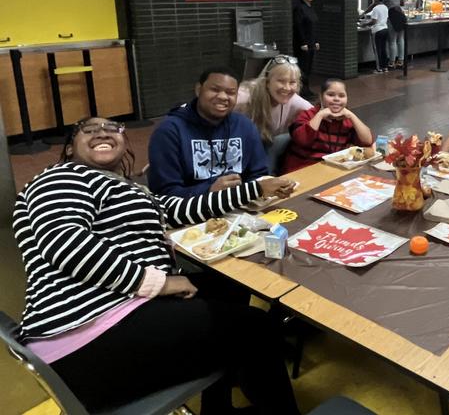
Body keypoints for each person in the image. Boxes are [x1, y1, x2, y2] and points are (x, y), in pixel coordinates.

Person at [13, 117, 300, 414]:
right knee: (256, 328)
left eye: (113, 129)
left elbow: (179, 209)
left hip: (117, 313)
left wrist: (256, 188)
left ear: (124, 144)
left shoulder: (125, 188)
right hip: (86, 336)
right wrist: (158, 283)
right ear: (70, 148)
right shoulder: (61, 177)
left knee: (229, 286)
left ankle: (218, 407)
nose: (103, 133)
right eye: (89, 129)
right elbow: (65, 243)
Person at [148, 66, 270, 197]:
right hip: (191, 210)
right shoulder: (169, 131)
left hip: (240, 205)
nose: (223, 97)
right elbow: (164, 193)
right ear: (198, 90)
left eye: (230, 92)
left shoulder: (244, 126)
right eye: (215, 89)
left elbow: (258, 174)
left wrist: (263, 188)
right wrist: (209, 190)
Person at [236, 55, 312, 175]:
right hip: (236, 149)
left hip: (266, 146)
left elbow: (317, 118)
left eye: (292, 82)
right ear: (267, 81)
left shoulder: (295, 101)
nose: (287, 88)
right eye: (281, 81)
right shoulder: (243, 98)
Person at [283, 79, 374, 173]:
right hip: (302, 170)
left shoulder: (346, 119)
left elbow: (367, 141)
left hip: (332, 170)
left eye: (342, 96)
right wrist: (320, 115)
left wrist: (352, 116)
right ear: (321, 97)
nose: (336, 99)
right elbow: (302, 140)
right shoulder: (307, 115)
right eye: (331, 95)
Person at [292, 0, 319, 100]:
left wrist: (316, 41)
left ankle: (307, 89)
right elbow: (298, 26)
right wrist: (303, 42)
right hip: (304, 44)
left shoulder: (310, 7)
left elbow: (313, 26)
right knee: (303, 67)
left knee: (308, 68)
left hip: (311, 42)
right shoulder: (299, 8)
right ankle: (302, 90)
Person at [367, 0, 390, 73]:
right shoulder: (385, 7)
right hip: (385, 29)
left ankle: (378, 68)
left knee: (377, 50)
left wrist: (364, 24)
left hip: (377, 30)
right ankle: (385, 67)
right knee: (384, 49)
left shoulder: (376, 9)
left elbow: (374, 21)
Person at [387, 4, 407, 69]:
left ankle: (392, 63)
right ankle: (400, 62)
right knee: (401, 39)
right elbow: (402, 2)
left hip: (392, 16)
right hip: (401, 15)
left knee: (392, 41)